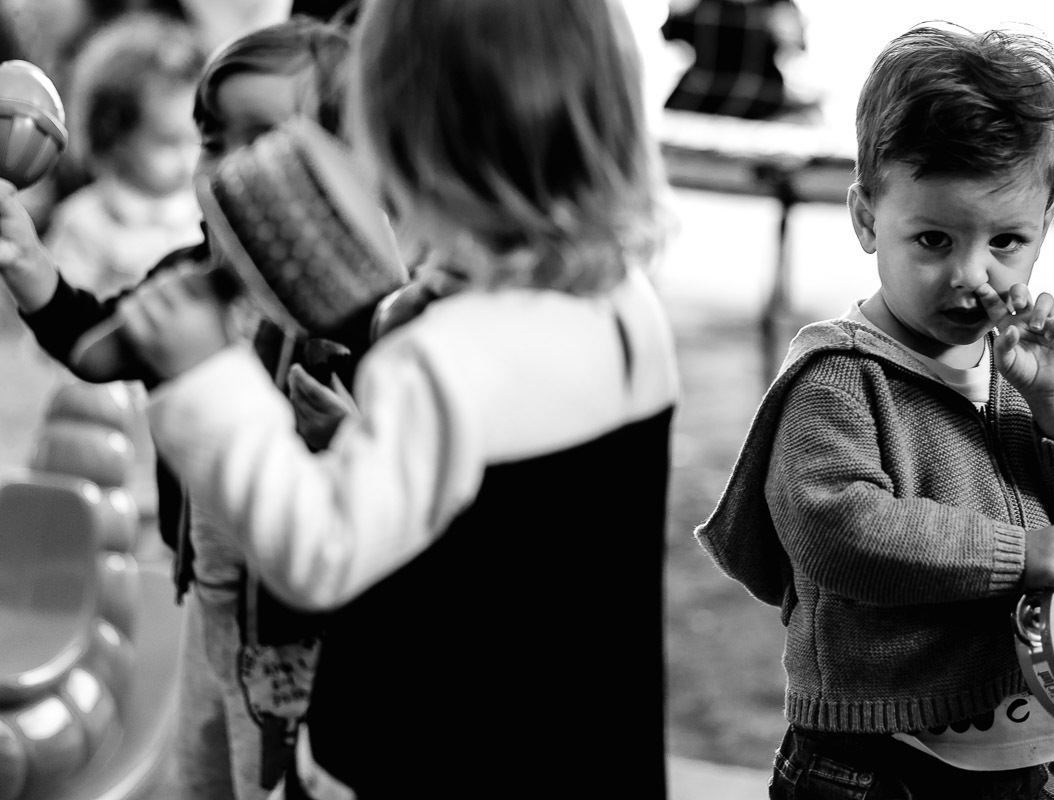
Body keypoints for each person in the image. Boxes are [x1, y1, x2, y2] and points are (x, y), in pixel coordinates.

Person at [112, 0, 680, 797]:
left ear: (411, 133)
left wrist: (205, 376)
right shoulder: (628, 309)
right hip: (581, 752)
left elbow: (316, 551)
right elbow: (524, 520)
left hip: (416, 757)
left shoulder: (442, 359)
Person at [694, 22, 1054, 800]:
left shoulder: (1017, 369)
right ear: (867, 217)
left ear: (1048, 223)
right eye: (933, 239)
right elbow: (842, 533)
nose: (973, 276)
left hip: (1018, 759)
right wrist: (1020, 554)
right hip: (873, 764)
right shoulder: (839, 379)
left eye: (1006, 241)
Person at [0, 15, 371, 800]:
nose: (227, 168)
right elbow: (100, 346)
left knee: (275, 777)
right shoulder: (192, 273)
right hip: (209, 601)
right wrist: (32, 267)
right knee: (201, 769)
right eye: (213, 138)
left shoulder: (357, 307)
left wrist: (348, 431)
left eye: (264, 140)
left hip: (300, 636)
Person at [44, 11, 206, 297]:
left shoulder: (204, 209)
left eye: (197, 138)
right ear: (115, 137)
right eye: (169, 142)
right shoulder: (85, 224)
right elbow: (60, 313)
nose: (188, 158)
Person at [661, 0, 817, 122]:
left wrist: (788, 32)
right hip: (702, 97)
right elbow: (669, 33)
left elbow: (797, 44)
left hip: (762, 103)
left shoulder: (777, 5)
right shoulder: (701, 6)